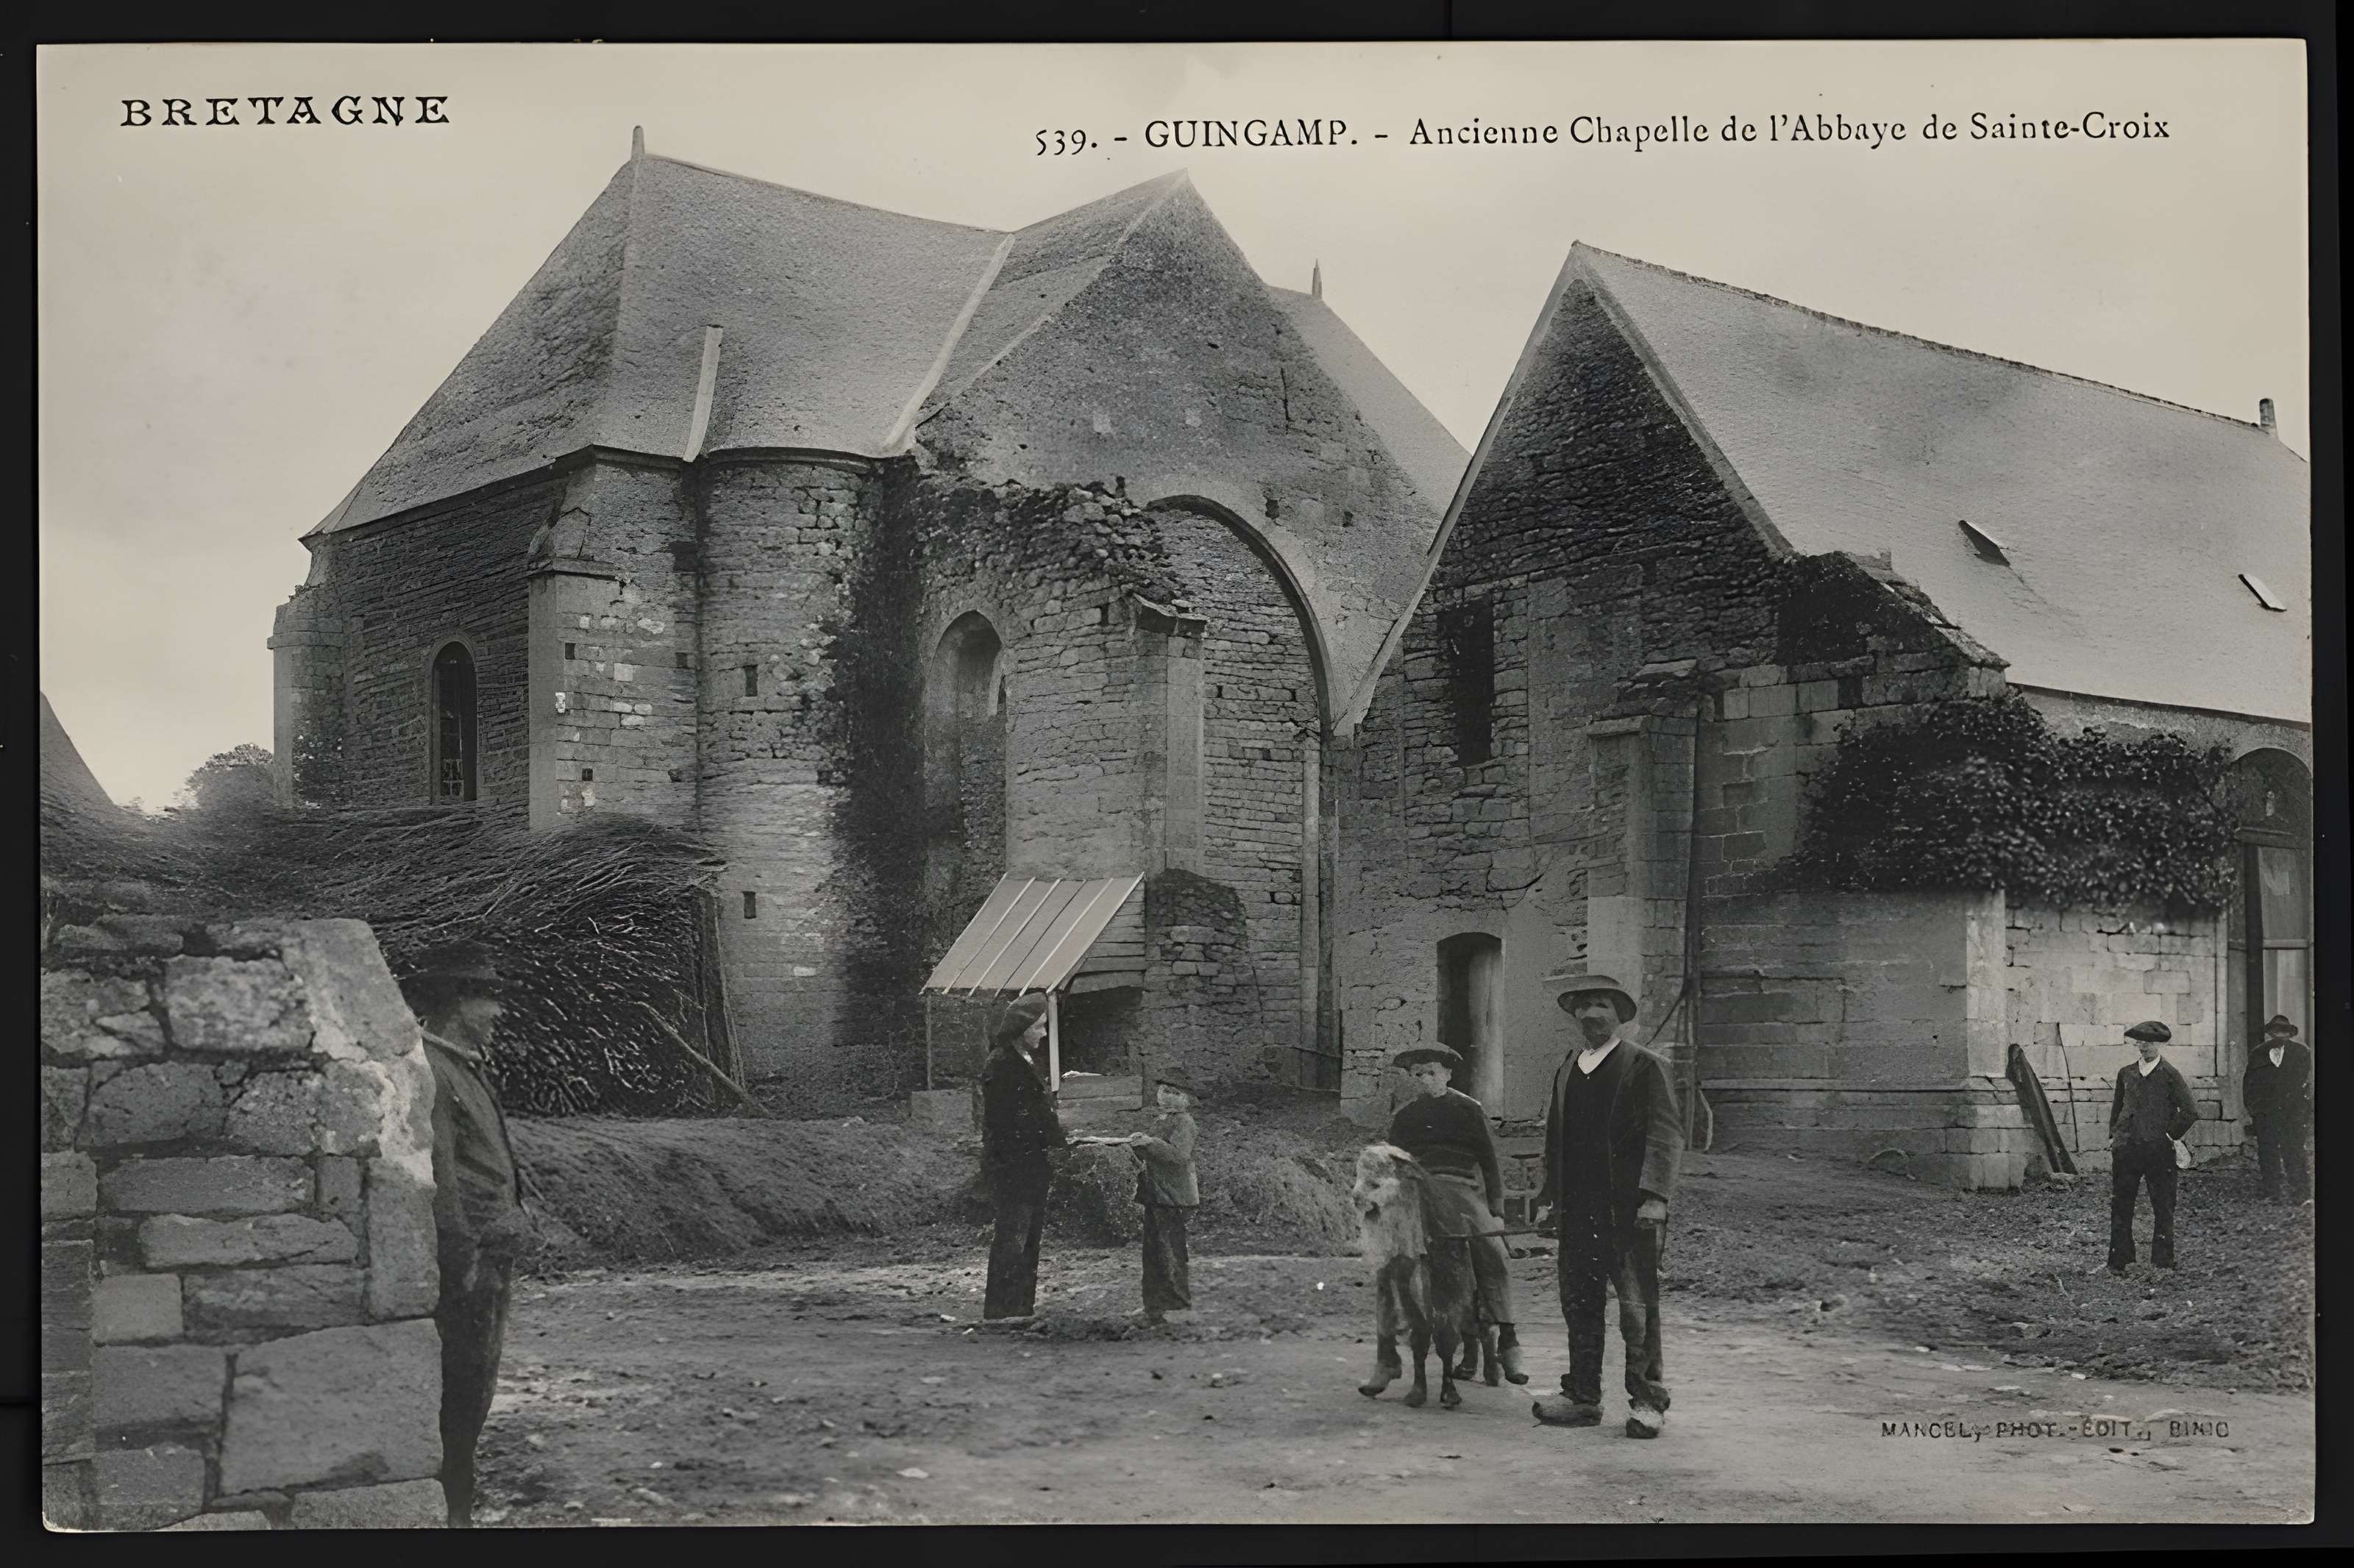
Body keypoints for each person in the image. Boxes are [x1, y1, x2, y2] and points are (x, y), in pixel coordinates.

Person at [397, 940, 533, 1529]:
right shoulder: (431, 1069)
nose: (498, 1014)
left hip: (488, 1263)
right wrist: (462, 1262)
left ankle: (456, 1508)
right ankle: (450, 1518)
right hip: (467, 1270)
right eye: (488, 999)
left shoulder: (460, 1066)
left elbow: (489, 1166)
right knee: (459, 1397)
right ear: (456, 1002)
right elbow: (443, 1180)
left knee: (473, 1394)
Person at [1531, 972, 1682, 1439]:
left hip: (1630, 1212)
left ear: (1619, 1016)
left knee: (1637, 1309)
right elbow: (1555, 1140)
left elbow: (1666, 1135)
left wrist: (1655, 1197)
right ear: (1574, 1015)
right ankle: (1581, 1397)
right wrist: (1548, 1200)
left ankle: (1647, 1402)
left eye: (1602, 1005)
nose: (1592, 1014)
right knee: (1580, 1303)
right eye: (1583, 1005)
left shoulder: (1644, 1065)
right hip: (1578, 1211)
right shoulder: (1567, 1068)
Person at [1380, 1045, 1529, 1385]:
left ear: (1447, 1074)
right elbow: (1393, 1167)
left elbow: (1490, 1165)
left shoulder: (1469, 1109)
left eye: (1432, 1072)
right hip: (1421, 1194)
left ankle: (1509, 1340)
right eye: (1417, 1074)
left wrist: (1497, 1213)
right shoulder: (1405, 1116)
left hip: (1463, 1191)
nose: (1425, 1080)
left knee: (1494, 1255)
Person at [979, 994, 1067, 1320]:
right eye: (1040, 1028)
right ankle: (1002, 1311)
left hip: (1033, 1163)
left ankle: (1021, 1308)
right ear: (1022, 1029)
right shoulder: (1002, 1064)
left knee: (1029, 1237)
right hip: (1014, 1164)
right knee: (1013, 1237)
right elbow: (1006, 1121)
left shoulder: (1026, 1060)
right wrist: (1050, 1134)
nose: (1044, 1035)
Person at [2108, 1019, 2200, 1272]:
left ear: (2160, 1045)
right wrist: (2116, 1136)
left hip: (2159, 1151)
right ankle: (2120, 1260)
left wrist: (2169, 1135)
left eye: (2151, 1042)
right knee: (2122, 1204)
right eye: (2141, 1042)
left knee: (2163, 1206)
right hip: (2128, 1149)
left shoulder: (2170, 1074)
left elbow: (2190, 1111)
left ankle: (2162, 1262)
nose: (2145, 1047)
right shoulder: (2126, 1073)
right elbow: (2118, 1107)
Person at [1125, 1066, 1201, 1325]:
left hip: (1173, 1197)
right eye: (1164, 1091)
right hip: (1157, 1194)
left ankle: (1176, 1305)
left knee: (1170, 1251)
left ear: (1187, 1100)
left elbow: (1179, 1157)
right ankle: (1154, 1306)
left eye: (1175, 1093)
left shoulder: (1184, 1123)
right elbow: (1156, 1153)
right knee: (1154, 1252)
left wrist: (1150, 1144)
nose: (1167, 1097)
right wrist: (1140, 1144)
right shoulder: (1163, 1120)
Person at [2241, 1014, 2311, 1202]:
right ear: (2271, 1033)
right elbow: (2250, 1083)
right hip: (2266, 1112)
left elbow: (2303, 1082)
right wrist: (2254, 1109)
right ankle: (2272, 1192)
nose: (2280, 1035)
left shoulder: (2301, 1053)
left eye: (2284, 1032)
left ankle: (2301, 1193)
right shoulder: (2258, 1053)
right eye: (2276, 1031)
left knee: (2294, 1149)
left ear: (2290, 1034)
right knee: (2268, 1150)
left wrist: (2302, 1110)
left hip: (2293, 1111)